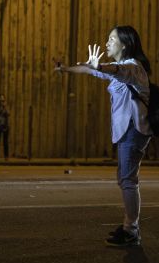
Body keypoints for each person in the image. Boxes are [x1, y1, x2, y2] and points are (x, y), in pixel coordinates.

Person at [55, 25, 152, 247]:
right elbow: (90, 69)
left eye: (111, 39)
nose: (107, 42)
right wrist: (66, 69)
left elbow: (117, 71)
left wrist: (100, 66)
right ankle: (130, 227)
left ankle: (131, 231)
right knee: (125, 179)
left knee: (128, 180)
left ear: (124, 44)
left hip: (133, 129)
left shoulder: (133, 68)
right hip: (126, 131)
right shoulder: (116, 68)